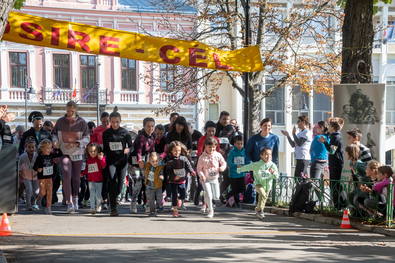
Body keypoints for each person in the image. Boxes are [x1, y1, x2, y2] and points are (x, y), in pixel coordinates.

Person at [52, 101, 90, 213]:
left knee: (76, 178)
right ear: (65, 109)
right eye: (68, 111)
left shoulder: (82, 122)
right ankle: (69, 202)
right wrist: (54, 141)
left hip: (78, 152)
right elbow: (54, 134)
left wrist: (77, 143)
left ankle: (75, 198)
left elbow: (87, 138)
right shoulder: (59, 121)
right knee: (66, 176)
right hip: (63, 152)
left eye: (72, 111)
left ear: (76, 110)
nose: (70, 113)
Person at [102, 111, 133, 216]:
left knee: (119, 186)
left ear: (120, 121)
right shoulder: (106, 133)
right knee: (112, 182)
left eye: (117, 122)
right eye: (113, 122)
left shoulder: (125, 133)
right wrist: (102, 153)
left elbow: (131, 146)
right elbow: (105, 148)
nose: (115, 124)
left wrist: (128, 149)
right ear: (110, 121)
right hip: (111, 161)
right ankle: (113, 208)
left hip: (122, 162)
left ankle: (114, 197)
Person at [237, 147, 279, 219]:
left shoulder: (272, 165)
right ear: (261, 156)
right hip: (258, 183)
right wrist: (239, 169)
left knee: (263, 197)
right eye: (266, 154)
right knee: (262, 194)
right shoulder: (257, 165)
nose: (268, 156)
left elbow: (276, 176)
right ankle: (260, 210)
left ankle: (258, 209)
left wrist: (273, 172)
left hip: (268, 186)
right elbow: (248, 167)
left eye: (270, 155)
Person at [129, 117, 156, 213]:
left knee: (148, 183)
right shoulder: (140, 137)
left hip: (145, 163)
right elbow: (138, 150)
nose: (150, 129)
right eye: (148, 126)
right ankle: (133, 202)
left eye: (152, 126)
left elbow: (152, 151)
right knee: (138, 182)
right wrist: (140, 160)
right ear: (144, 126)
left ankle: (148, 204)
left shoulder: (153, 137)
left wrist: (155, 159)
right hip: (134, 163)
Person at [318, 117, 345, 211]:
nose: (328, 127)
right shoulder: (333, 136)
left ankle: (340, 205)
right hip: (334, 163)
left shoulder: (336, 138)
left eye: (329, 125)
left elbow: (332, 151)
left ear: (333, 127)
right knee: (333, 184)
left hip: (336, 163)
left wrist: (325, 142)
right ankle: (338, 204)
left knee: (335, 184)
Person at [197, 137, 227, 218]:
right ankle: (210, 210)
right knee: (209, 195)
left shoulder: (217, 155)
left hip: (214, 178)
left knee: (216, 196)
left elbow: (223, 163)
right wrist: (202, 175)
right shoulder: (202, 157)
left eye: (213, 147)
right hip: (205, 179)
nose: (212, 149)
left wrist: (222, 168)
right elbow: (199, 169)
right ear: (205, 146)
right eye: (210, 147)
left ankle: (205, 196)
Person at [165, 141, 195, 218]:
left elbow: (188, 165)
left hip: (182, 180)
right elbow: (167, 171)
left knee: (183, 194)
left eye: (179, 150)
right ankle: (175, 210)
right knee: (174, 195)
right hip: (173, 181)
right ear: (171, 150)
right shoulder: (170, 161)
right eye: (175, 150)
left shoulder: (184, 158)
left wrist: (191, 171)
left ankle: (180, 198)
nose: (177, 152)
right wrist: (174, 176)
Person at [33, 139, 63, 215]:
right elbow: (34, 167)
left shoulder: (51, 155)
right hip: (41, 178)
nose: (49, 150)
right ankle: (39, 198)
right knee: (43, 192)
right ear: (42, 148)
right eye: (47, 148)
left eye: (50, 148)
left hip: (49, 178)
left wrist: (57, 147)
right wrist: (37, 169)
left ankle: (48, 207)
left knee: (49, 193)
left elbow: (60, 154)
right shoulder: (39, 158)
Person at [195, 121, 220, 209]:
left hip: (214, 167)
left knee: (214, 190)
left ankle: (209, 199)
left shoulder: (216, 139)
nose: (211, 133)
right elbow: (199, 151)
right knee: (202, 184)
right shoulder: (202, 139)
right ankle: (204, 201)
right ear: (206, 130)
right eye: (209, 131)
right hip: (204, 162)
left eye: (213, 131)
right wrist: (205, 157)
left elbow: (218, 151)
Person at [80, 143, 106, 215]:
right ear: (88, 152)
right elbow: (88, 168)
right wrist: (83, 173)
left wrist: (101, 159)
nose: (93, 153)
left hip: (99, 180)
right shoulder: (89, 160)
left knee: (98, 195)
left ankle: (98, 204)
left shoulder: (99, 158)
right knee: (92, 194)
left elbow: (104, 165)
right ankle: (92, 207)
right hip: (90, 180)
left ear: (98, 151)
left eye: (94, 151)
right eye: (91, 151)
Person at [215, 111, 235, 204]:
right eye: (224, 119)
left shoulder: (230, 129)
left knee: (227, 178)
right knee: (213, 178)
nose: (226, 121)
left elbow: (233, 142)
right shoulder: (214, 128)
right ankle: (211, 196)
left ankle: (219, 194)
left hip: (226, 157)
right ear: (219, 119)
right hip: (214, 157)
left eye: (227, 119)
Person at [92, 111, 111, 209]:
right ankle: (103, 200)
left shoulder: (112, 128)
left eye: (107, 121)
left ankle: (107, 199)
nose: (106, 124)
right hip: (99, 156)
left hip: (110, 156)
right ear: (100, 121)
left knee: (108, 179)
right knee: (101, 179)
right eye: (103, 122)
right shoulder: (96, 130)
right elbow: (93, 144)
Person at [345, 144, 368, 216]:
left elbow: (368, 173)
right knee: (351, 196)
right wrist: (352, 176)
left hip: (365, 186)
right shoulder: (351, 164)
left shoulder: (359, 163)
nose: (345, 154)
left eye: (346, 152)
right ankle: (358, 211)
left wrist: (362, 179)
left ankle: (365, 213)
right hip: (359, 186)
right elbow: (354, 172)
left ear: (351, 153)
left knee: (357, 198)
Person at [18, 139, 38, 211]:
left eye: (33, 147)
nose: (31, 149)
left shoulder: (37, 155)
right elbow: (19, 163)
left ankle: (33, 202)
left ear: (35, 147)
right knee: (28, 189)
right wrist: (20, 170)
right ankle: (28, 205)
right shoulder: (23, 156)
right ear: (26, 147)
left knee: (36, 191)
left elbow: (41, 164)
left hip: (36, 176)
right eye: (29, 147)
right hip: (26, 175)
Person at [227, 135, 246, 209]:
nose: (239, 145)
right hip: (233, 174)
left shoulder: (244, 151)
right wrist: (235, 166)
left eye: (241, 143)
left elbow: (246, 161)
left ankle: (230, 194)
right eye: (238, 144)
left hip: (241, 173)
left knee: (242, 187)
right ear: (234, 144)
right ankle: (237, 202)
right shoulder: (232, 152)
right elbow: (229, 162)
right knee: (235, 189)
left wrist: (246, 166)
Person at [144, 152, 165, 217]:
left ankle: (160, 205)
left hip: (158, 184)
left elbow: (161, 173)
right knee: (151, 199)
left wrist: (161, 177)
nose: (155, 163)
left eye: (156, 161)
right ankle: (152, 211)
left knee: (159, 197)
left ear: (159, 160)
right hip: (150, 185)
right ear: (150, 161)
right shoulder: (147, 165)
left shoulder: (160, 166)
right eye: (153, 161)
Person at [13, 125, 26, 203]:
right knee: (15, 181)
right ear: (16, 132)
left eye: (22, 132)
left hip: (23, 163)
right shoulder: (13, 140)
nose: (21, 134)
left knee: (22, 181)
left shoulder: (25, 140)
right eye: (19, 132)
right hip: (14, 162)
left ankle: (20, 196)